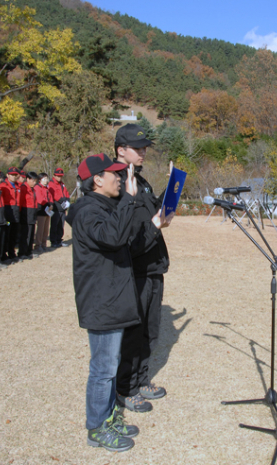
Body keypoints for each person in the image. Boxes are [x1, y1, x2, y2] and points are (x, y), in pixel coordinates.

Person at [65, 153, 141, 452]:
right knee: (103, 369)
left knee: (110, 364)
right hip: (101, 301)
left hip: (112, 298)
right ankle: (96, 428)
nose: (120, 179)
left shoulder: (104, 206)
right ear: (97, 179)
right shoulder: (87, 211)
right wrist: (129, 201)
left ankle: (108, 418)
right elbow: (112, 237)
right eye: (115, 174)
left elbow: (123, 236)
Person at [113, 124, 173, 413]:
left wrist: (171, 192)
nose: (143, 152)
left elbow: (152, 214)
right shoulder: (115, 185)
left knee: (150, 329)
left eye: (144, 147)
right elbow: (126, 235)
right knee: (132, 333)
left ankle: (141, 378)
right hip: (131, 271)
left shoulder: (142, 181)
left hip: (152, 266)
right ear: (120, 150)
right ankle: (126, 387)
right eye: (137, 148)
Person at [0, 167, 21, 263]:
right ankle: (4, 254)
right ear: (7, 175)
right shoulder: (3, 186)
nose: (13, 176)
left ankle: (12, 253)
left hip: (16, 212)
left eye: (15, 175)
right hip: (7, 211)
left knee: (13, 234)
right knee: (6, 234)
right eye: (11, 174)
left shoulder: (18, 186)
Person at [18, 171, 39, 260]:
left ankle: (29, 251)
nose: (34, 183)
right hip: (25, 213)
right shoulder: (23, 188)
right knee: (25, 234)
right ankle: (22, 252)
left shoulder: (33, 189)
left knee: (31, 234)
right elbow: (20, 201)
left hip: (32, 213)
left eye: (35, 181)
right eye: (33, 180)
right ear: (28, 179)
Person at [48, 167, 70, 248]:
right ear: (54, 175)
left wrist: (68, 200)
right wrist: (62, 201)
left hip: (63, 208)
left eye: (61, 176)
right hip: (56, 207)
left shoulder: (62, 184)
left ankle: (59, 240)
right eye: (58, 176)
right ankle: (53, 241)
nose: (59, 177)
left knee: (61, 224)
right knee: (55, 224)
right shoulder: (51, 183)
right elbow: (54, 195)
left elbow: (66, 192)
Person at [34, 172, 52, 252]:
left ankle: (44, 244)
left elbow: (50, 197)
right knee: (40, 229)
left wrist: (51, 204)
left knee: (46, 229)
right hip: (41, 210)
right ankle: (38, 245)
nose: (46, 180)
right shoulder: (37, 187)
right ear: (40, 180)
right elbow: (40, 199)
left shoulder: (47, 188)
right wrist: (48, 203)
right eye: (44, 179)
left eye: (46, 179)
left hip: (47, 211)